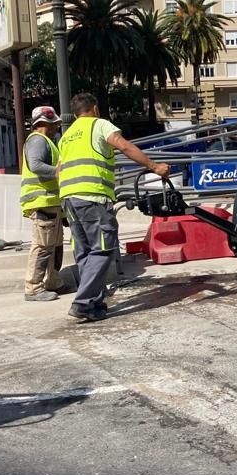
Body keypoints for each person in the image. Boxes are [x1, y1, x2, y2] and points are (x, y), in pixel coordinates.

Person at [58, 93, 170, 323]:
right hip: (92, 197)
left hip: (69, 199)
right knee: (104, 249)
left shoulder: (66, 136)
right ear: (95, 109)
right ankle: (82, 302)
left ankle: (94, 303)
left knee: (85, 252)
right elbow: (125, 147)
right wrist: (154, 166)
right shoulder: (99, 124)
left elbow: (59, 170)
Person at [20, 106, 67, 302]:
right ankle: (34, 288)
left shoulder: (46, 141)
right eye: (53, 124)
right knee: (42, 246)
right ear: (42, 123)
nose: (56, 127)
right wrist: (59, 171)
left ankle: (53, 282)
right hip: (42, 202)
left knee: (54, 245)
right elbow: (36, 165)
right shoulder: (38, 140)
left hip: (50, 203)